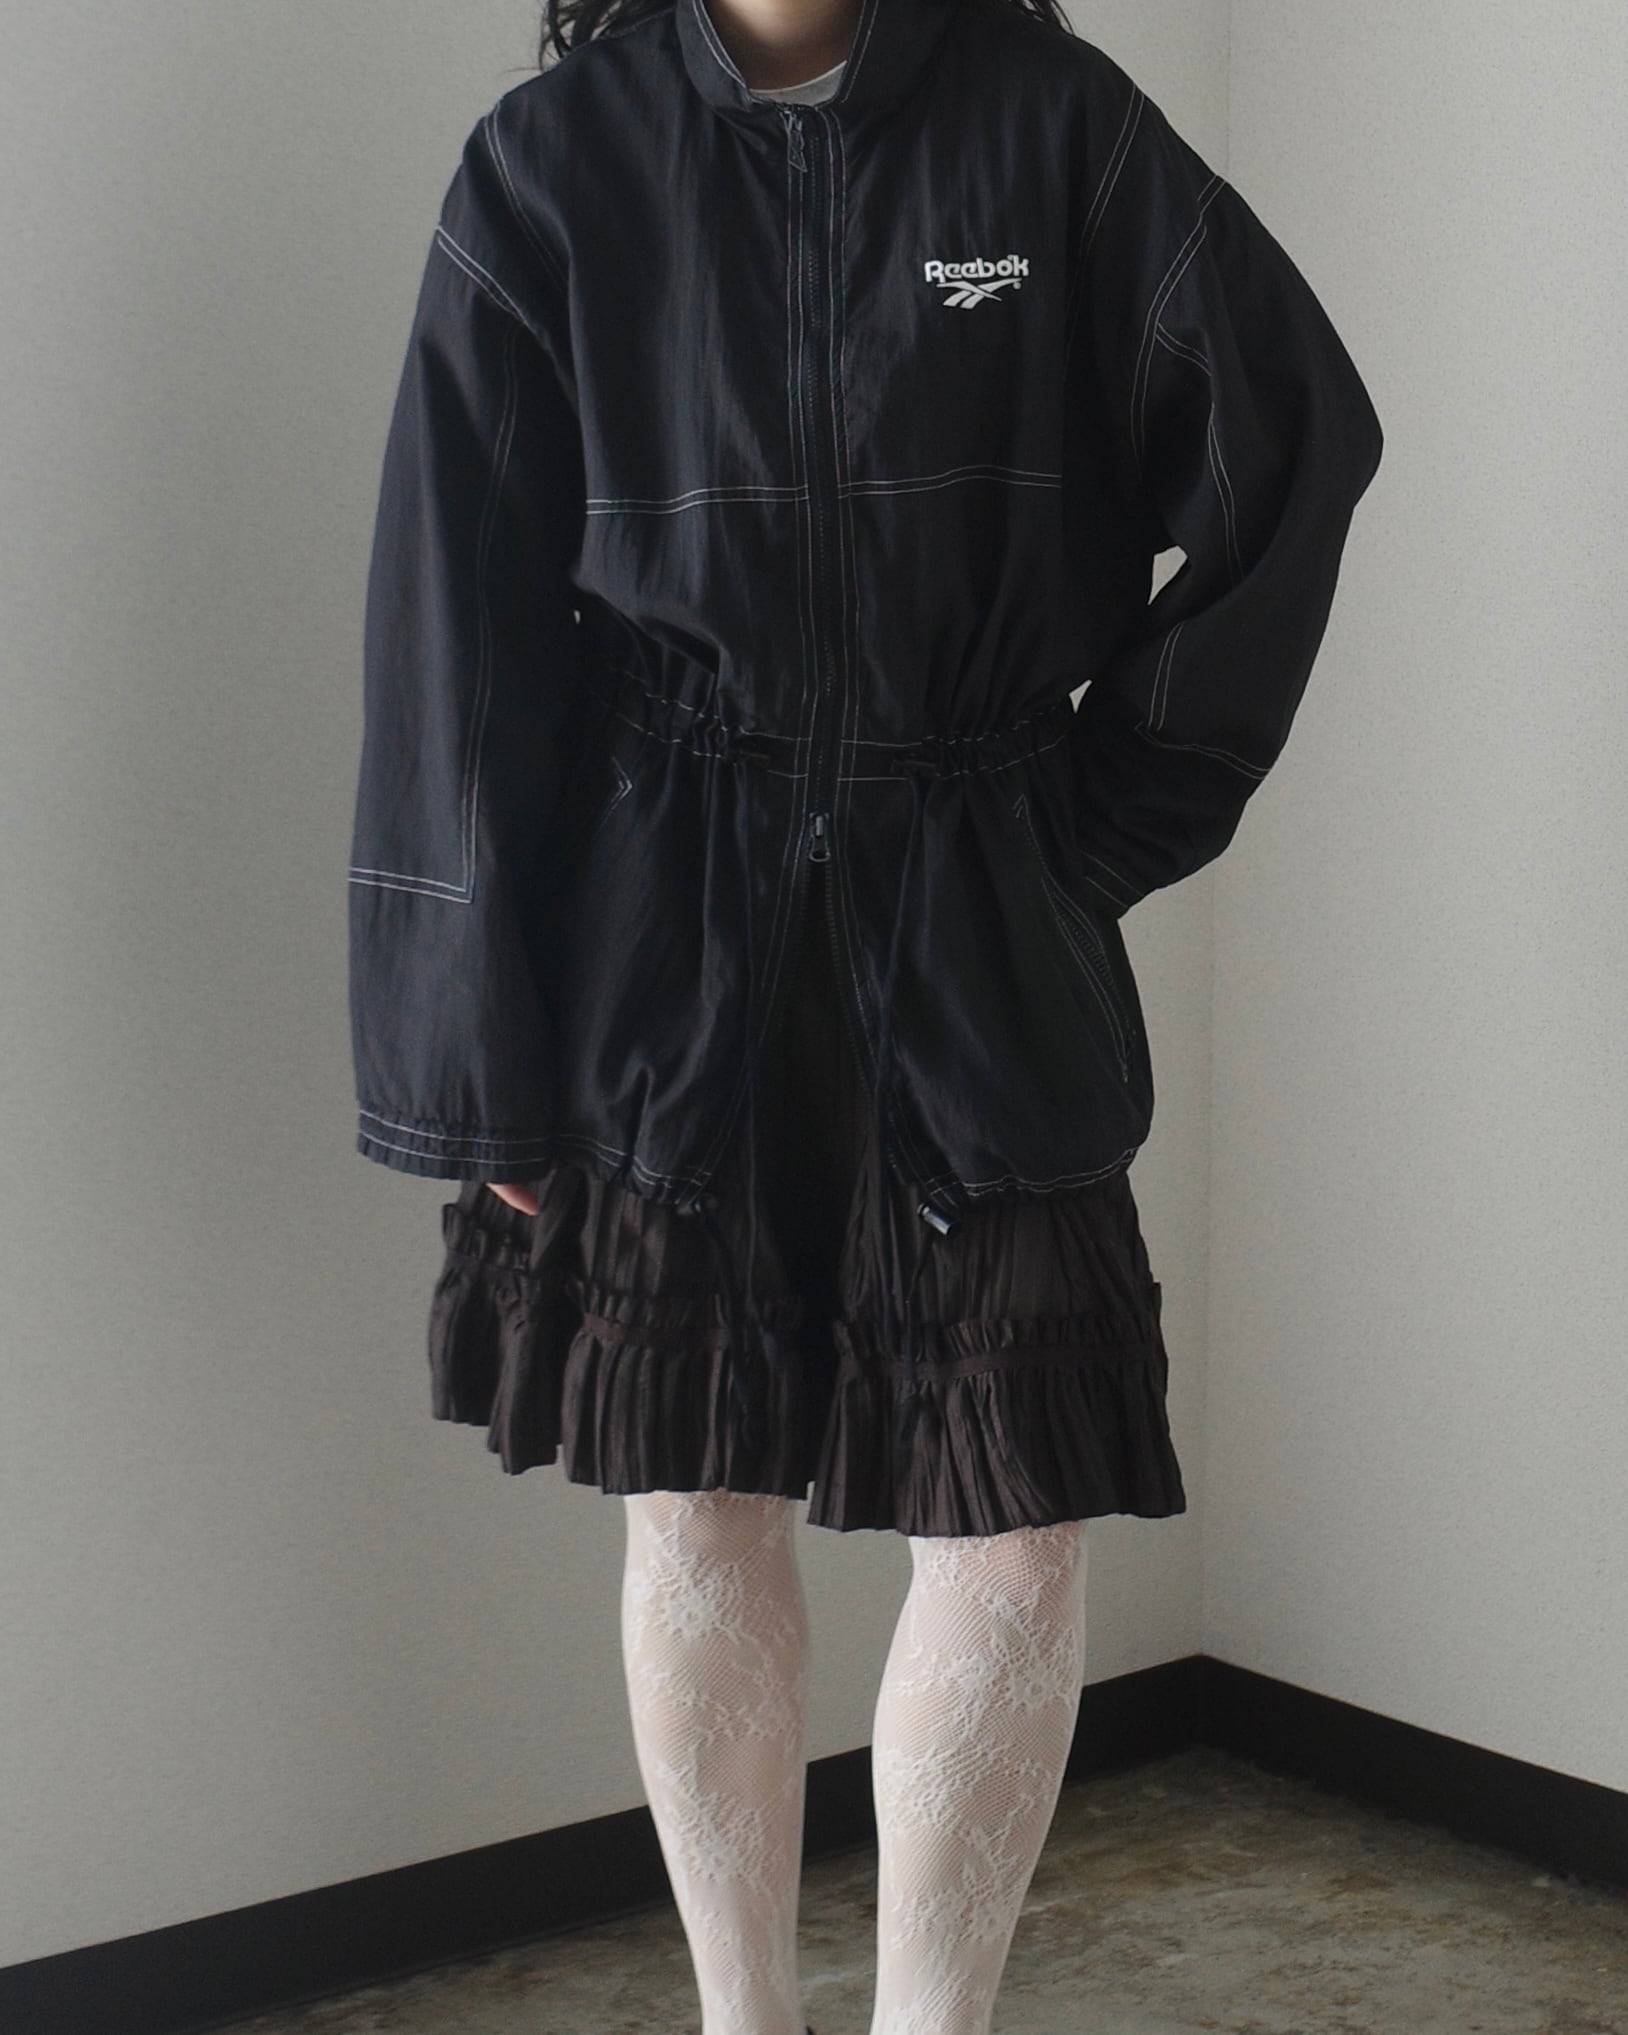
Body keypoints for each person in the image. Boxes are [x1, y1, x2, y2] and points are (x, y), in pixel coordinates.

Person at [346, 0, 1384, 2027]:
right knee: (697, 1489)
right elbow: (451, 622)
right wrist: (471, 1044)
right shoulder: (553, 165)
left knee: (1014, 1531)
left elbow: (1293, 438)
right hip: (664, 932)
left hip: (973, 908)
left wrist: (1104, 811)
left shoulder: (1055, 127)